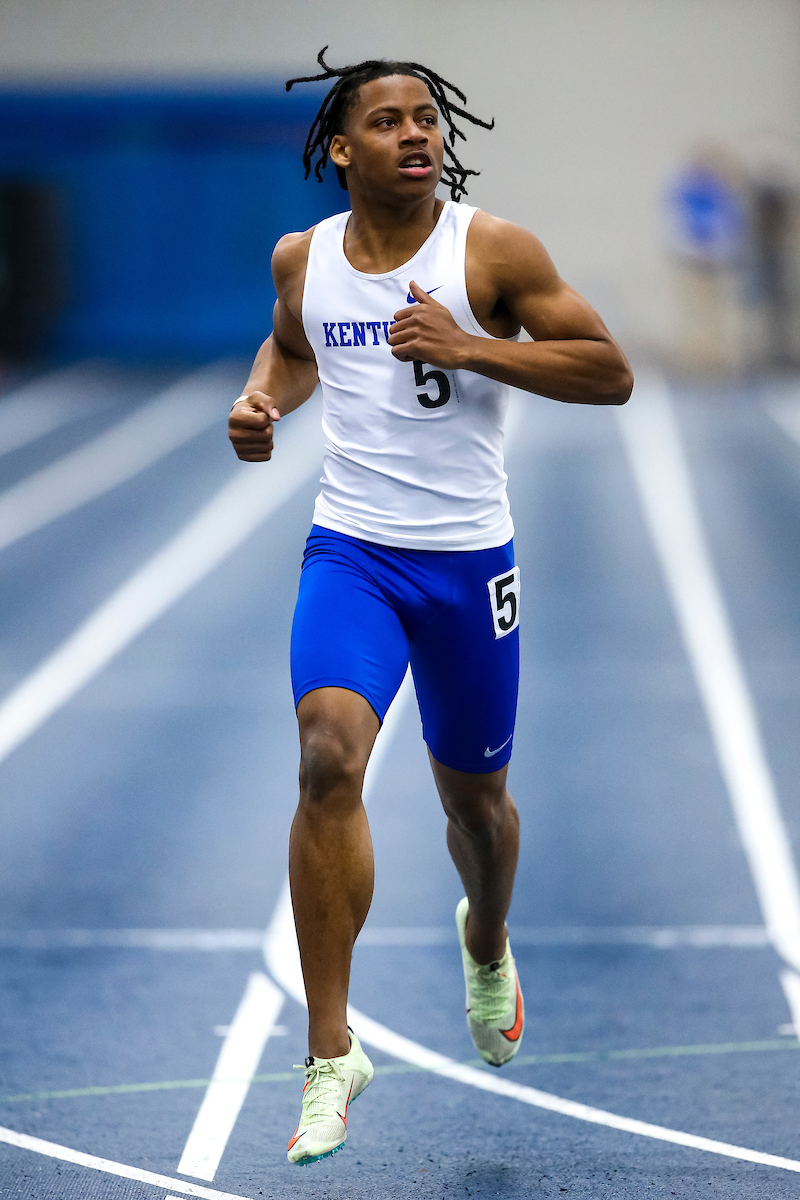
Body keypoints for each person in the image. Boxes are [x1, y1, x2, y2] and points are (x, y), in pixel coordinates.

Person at [229, 49, 633, 1167]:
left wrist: (466, 347)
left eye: (427, 120)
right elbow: (295, 345)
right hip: (352, 554)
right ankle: (328, 1053)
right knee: (324, 759)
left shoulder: (489, 250)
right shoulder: (301, 258)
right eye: (389, 122)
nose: (415, 136)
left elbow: (608, 370)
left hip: (467, 566)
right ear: (340, 149)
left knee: (478, 811)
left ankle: (487, 936)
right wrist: (264, 396)